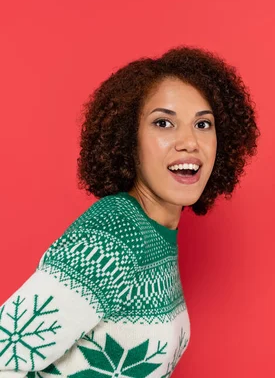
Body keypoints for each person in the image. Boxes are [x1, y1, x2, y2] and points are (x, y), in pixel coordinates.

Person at [0, 47, 258, 377]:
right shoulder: (116, 231)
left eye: (203, 124)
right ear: (129, 140)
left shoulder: (156, 230)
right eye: (164, 123)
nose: (189, 142)